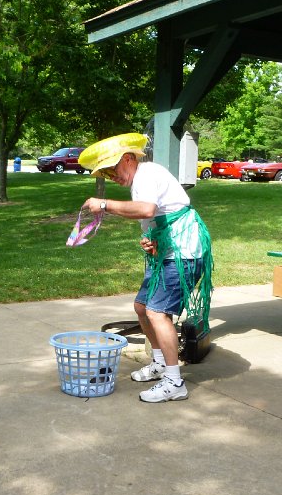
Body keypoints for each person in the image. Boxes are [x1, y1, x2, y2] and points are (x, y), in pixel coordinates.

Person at [80, 133, 213, 403]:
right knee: (142, 308)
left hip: (184, 253)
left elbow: (147, 210)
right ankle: (161, 362)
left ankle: (174, 382)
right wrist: (153, 241)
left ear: (128, 158)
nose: (112, 176)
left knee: (157, 312)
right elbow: (163, 214)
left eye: (113, 169)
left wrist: (103, 205)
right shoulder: (140, 178)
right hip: (168, 252)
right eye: (105, 173)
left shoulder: (147, 174)